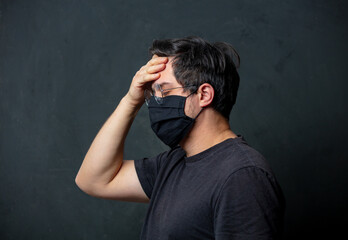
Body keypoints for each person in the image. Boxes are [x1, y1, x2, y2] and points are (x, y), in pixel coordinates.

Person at [75, 36, 285, 239]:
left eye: (164, 91)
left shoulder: (242, 175)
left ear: (203, 95)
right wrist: (131, 101)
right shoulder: (172, 163)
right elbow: (94, 181)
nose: (156, 102)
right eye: (152, 95)